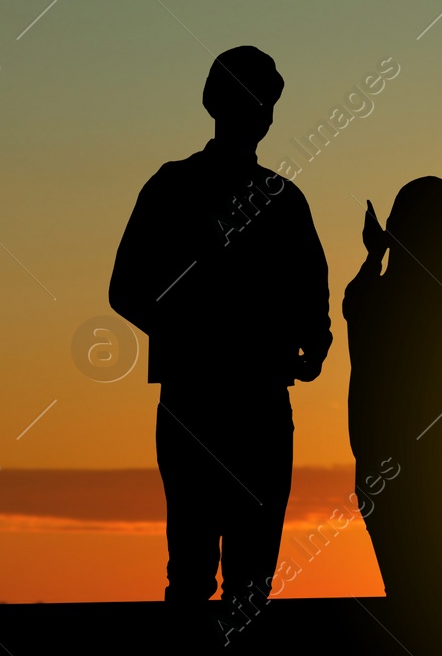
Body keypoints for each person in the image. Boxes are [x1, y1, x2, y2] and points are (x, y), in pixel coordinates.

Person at [108, 46, 332, 641]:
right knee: (202, 572)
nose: (261, 113)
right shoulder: (188, 189)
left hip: (231, 401)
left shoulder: (276, 200)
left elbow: (314, 304)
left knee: (235, 578)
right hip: (207, 403)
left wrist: (310, 343)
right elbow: (126, 289)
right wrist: (208, 337)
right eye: (257, 100)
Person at [344, 177, 442, 602]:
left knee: (408, 593)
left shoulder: (372, 299)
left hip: (392, 472)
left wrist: (377, 251)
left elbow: (354, 299)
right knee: (434, 597)